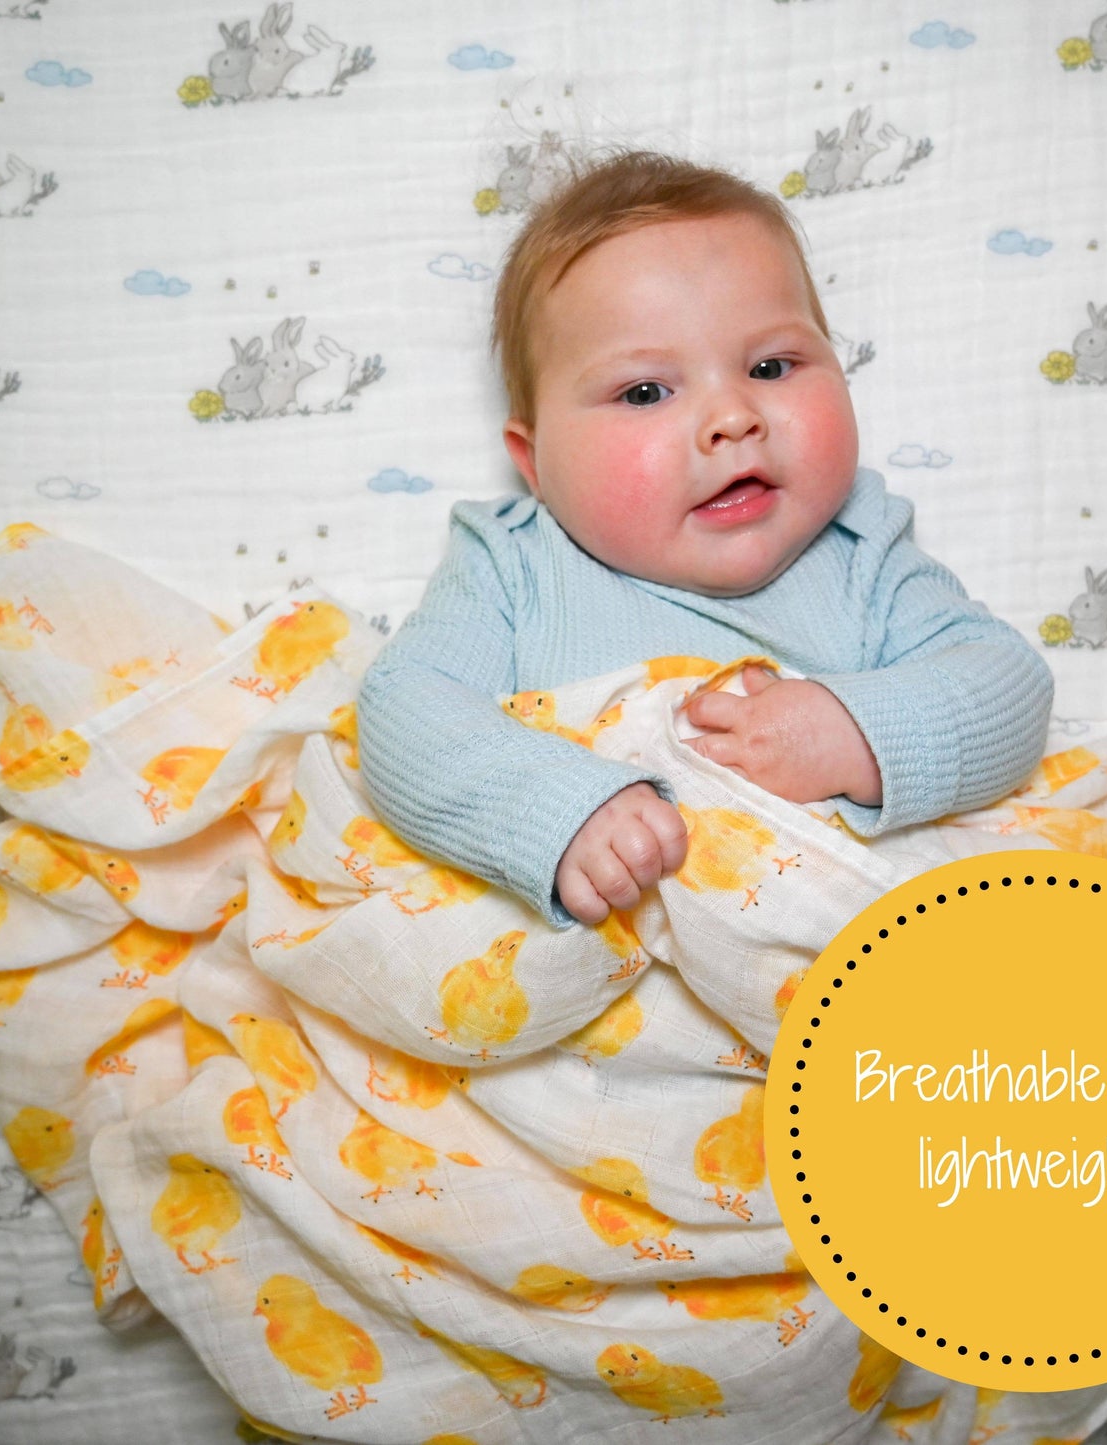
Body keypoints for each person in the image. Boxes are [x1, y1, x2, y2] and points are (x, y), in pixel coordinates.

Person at [356, 149, 1052, 928]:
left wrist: (857, 730)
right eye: (646, 391)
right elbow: (404, 713)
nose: (732, 417)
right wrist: (558, 810)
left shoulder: (859, 550)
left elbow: (1008, 683)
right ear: (535, 462)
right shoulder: (515, 565)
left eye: (771, 365)